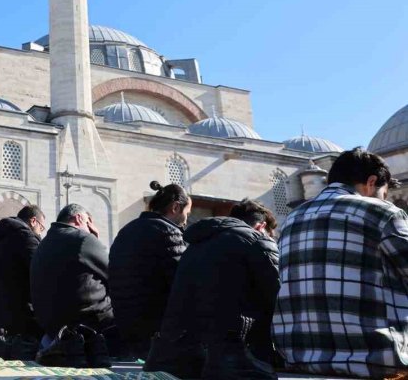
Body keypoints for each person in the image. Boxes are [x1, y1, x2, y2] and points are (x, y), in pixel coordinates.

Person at [273, 147, 408, 379]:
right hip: (377, 356)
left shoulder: (292, 220)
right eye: (384, 193)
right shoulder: (382, 213)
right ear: (371, 182)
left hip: (300, 355)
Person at [145, 199, 279, 379]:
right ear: (261, 226)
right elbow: (278, 298)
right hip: (231, 358)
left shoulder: (195, 244)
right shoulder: (257, 240)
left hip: (179, 356)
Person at [108, 181, 190, 358]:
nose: (186, 220)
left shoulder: (126, 230)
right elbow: (183, 284)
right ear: (175, 207)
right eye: (186, 213)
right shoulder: (169, 232)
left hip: (126, 325)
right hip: (156, 330)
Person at [31, 203, 117, 367]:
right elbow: (114, 276)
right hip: (86, 323)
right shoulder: (83, 239)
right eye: (88, 222)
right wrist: (94, 240)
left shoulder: (42, 245)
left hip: (51, 326)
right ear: (78, 218)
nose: (91, 228)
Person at [0, 205, 45, 338]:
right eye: (41, 228)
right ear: (33, 221)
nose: (40, 233)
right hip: (18, 315)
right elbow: (42, 272)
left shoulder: (0, 239)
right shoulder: (25, 237)